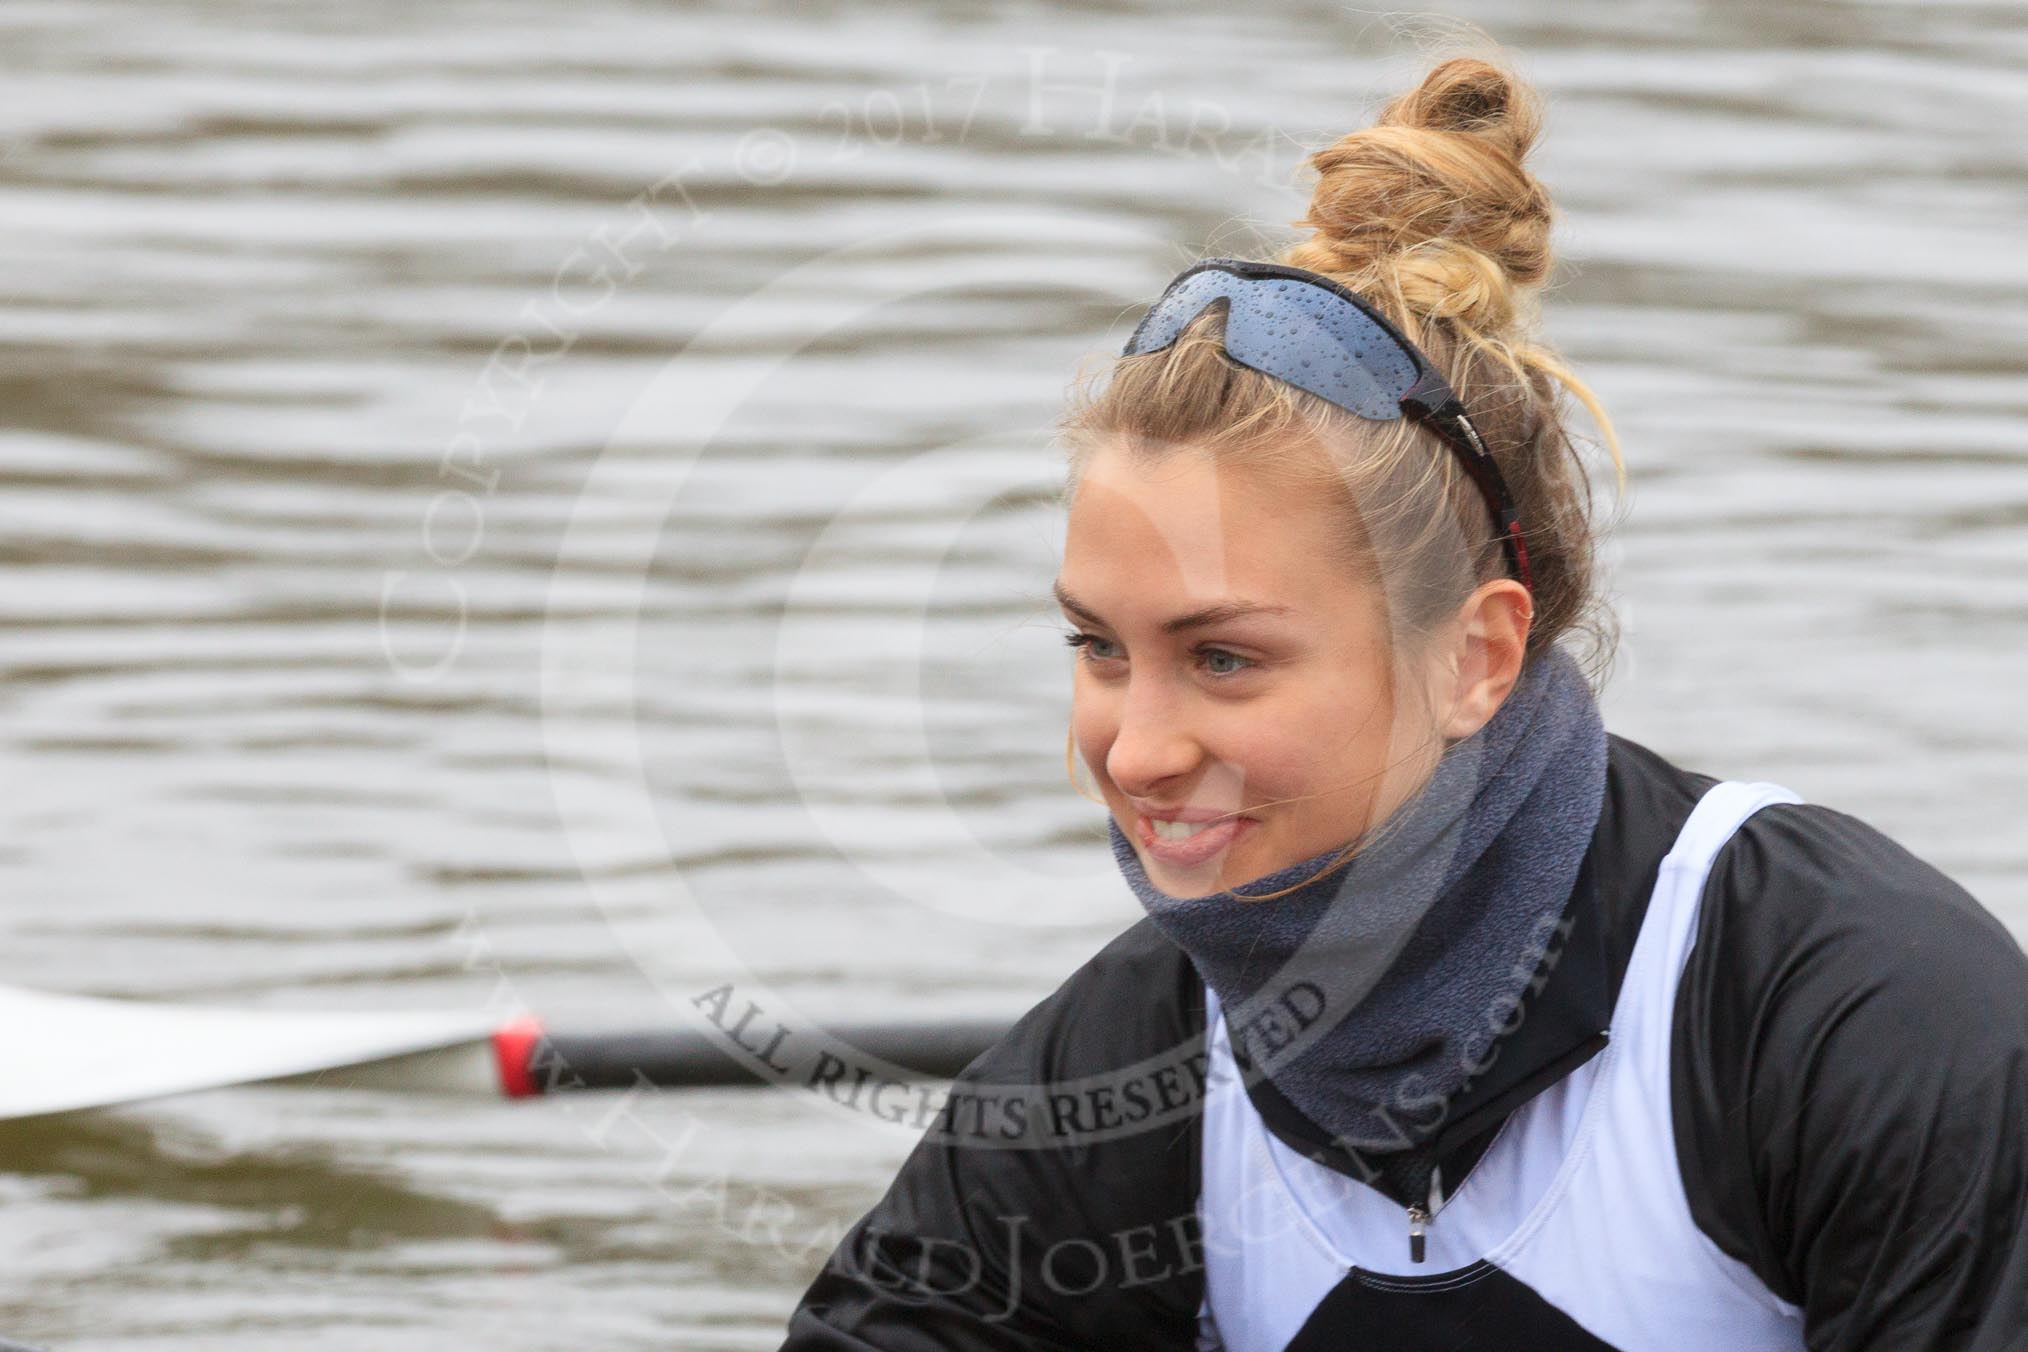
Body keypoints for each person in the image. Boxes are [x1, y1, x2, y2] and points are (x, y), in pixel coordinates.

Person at [779, 53, 2028, 1351]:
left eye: (1223, 658)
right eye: (1099, 647)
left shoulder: (1868, 1023)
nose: (1134, 752)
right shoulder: (1116, 1072)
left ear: (1475, 659)